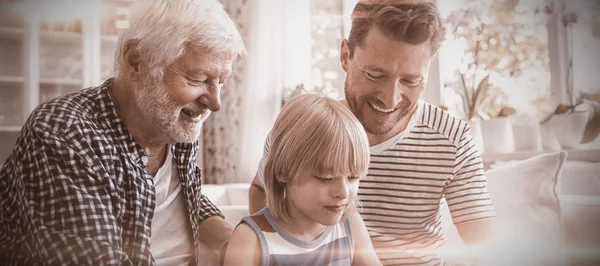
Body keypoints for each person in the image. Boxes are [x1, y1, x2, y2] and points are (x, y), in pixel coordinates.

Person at [248, 0, 496, 265]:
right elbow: (262, 190)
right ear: (345, 55)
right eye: (376, 75)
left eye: (411, 81)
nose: (390, 100)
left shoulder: (452, 137)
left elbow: (484, 246)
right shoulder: (303, 128)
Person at [0, 0, 245, 265]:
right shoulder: (65, 135)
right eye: (198, 79)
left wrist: (232, 238)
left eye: (221, 82)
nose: (215, 102)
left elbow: (176, 194)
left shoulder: (172, 122)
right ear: (136, 61)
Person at [223, 94, 381, 266]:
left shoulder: (350, 225)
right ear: (283, 171)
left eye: (352, 177)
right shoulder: (250, 240)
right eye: (326, 178)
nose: (343, 192)